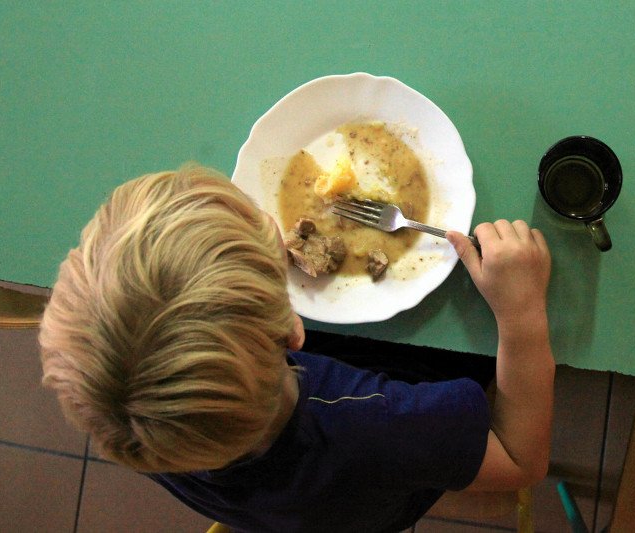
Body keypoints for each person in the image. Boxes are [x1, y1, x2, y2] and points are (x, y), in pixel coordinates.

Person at [39, 164, 554, 532]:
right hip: (380, 488)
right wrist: (522, 315)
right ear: (292, 328)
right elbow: (519, 459)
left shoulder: (147, 430)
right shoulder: (379, 422)